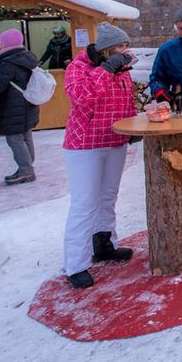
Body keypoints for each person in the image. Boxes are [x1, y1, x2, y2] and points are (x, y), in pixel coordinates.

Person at [61, 22, 138, 289]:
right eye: (120, 46)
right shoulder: (78, 68)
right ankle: (76, 264)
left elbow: (126, 102)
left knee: (108, 196)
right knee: (84, 203)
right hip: (85, 145)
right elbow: (84, 97)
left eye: (126, 45)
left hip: (114, 141)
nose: (125, 51)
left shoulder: (122, 71)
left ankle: (104, 243)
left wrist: (133, 125)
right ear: (106, 50)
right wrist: (106, 70)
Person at [0, 28, 40, 185]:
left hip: (13, 106)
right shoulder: (27, 58)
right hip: (28, 103)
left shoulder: (8, 63)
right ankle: (26, 167)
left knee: (14, 138)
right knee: (25, 135)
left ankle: (26, 170)